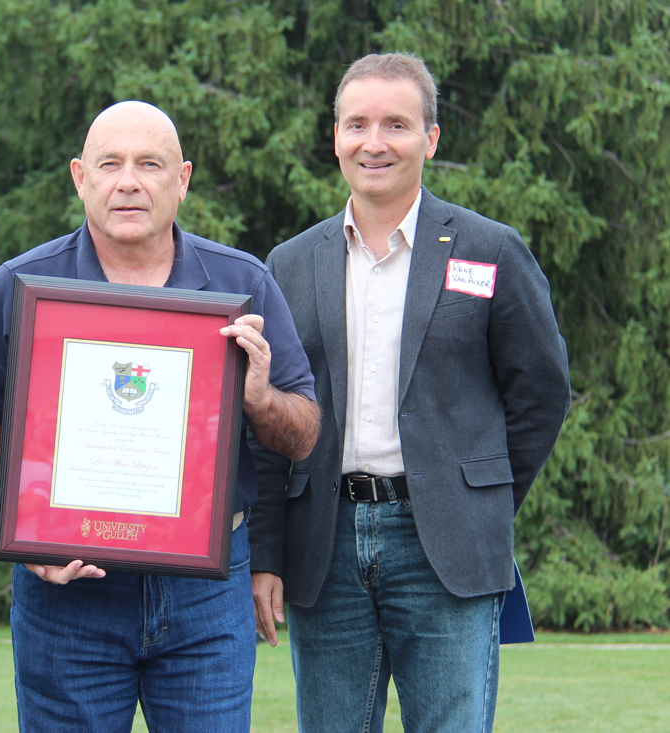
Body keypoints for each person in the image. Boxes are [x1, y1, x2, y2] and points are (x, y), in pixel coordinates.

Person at [0, 100, 320, 732]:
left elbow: (304, 431)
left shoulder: (242, 284)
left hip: (208, 590)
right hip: (67, 591)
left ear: (181, 179)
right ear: (80, 178)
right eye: (110, 164)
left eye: (149, 164)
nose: (128, 181)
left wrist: (261, 398)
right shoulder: (22, 286)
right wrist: (23, 533)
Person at [249, 53, 571, 732]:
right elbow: (272, 423)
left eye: (396, 123)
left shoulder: (491, 251)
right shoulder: (289, 264)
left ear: (430, 137)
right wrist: (266, 557)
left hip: (448, 550)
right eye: (357, 123)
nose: (374, 142)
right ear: (334, 134)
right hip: (324, 548)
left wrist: (476, 496)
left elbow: (541, 394)